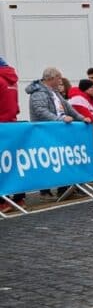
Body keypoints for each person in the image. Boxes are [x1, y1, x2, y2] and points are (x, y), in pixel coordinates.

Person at [27, 68, 91, 200]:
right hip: (45, 133)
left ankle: (64, 190)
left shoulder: (55, 92)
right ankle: (45, 192)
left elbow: (68, 108)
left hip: (57, 132)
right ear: (51, 78)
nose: (61, 81)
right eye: (59, 78)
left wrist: (81, 118)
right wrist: (60, 119)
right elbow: (40, 111)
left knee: (62, 161)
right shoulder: (38, 93)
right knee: (45, 162)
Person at [0, 56, 24, 212]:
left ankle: (3, 202)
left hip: (1, 125)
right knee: (14, 164)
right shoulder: (12, 81)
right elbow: (16, 107)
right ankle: (19, 199)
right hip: (12, 125)